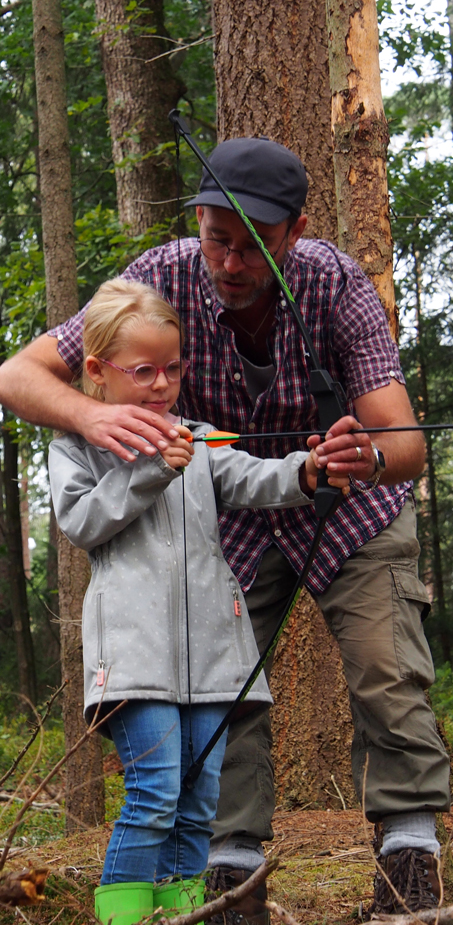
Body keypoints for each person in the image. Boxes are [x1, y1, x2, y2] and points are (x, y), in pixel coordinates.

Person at [0, 136, 451, 923]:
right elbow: (18, 374)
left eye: (254, 247)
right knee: (223, 691)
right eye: (217, 240)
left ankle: (409, 857)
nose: (231, 263)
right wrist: (98, 416)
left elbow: (405, 445)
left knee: (387, 669)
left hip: (345, 505)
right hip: (213, 518)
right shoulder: (154, 280)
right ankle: (231, 878)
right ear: (197, 223)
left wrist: (356, 457)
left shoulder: (336, 284)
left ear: (296, 231)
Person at [49, 279, 342, 925]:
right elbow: (82, 521)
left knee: (197, 799)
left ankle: (179, 912)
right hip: (134, 662)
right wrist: (154, 467)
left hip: (211, 661)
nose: (161, 385)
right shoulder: (78, 444)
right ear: (97, 371)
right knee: (153, 794)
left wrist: (306, 470)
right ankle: (124, 915)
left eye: (172, 369)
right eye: (143, 371)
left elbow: (253, 477)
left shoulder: (198, 438)